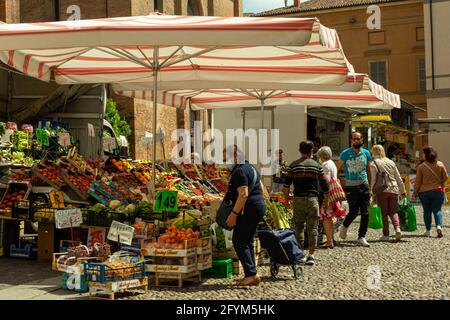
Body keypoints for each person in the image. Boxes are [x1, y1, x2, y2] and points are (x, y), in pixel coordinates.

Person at [223, 145, 266, 286]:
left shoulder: (239, 171)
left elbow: (243, 194)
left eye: (226, 158)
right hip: (258, 206)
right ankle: (252, 273)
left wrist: (233, 214)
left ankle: (251, 275)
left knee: (239, 240)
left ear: (234, 156)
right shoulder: (251, 167)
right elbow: (262, 189)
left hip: (248, 208)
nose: (225, 162)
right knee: (247, 240)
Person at [283, 141, 330, 265]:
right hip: (312, 200)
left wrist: (287, 200)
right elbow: (325, 186)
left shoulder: (293, 165)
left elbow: (286, 186)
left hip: (298, 199)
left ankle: (301, 254)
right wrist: (326, 201)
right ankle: (311, 255)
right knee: (313, 227)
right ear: (312, 151)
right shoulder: (317, 166)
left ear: (300, 150)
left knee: (298, 227)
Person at [337, 131, 372, 247]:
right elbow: (337, 168)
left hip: (364, 185)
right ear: (351, 140)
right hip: (351, 186)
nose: (356, 141)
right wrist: (339, 182)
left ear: (362, 139)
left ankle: (361, 237)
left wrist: (370, 186)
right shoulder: (345, 153)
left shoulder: (366, 153)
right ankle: (345, 226)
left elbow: (368, 170)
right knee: (353, 211)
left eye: (358, 138)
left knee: (366, 212)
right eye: (354, 139)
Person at [370, 145, 406, 242]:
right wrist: (403, 191)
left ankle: (386, 234)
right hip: (394, 189)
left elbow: (373, 179)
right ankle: (397, 229)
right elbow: (398, 178)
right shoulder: (391, 162)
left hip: (382, 190)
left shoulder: (373, 163)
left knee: (384, 213)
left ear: (373, 152)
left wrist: (370, 191)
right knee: (393, 211)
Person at [413, 146, 448, 238]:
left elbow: (417, 182)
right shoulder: (440, 164)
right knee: (437, 210)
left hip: (424, 192)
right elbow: (446, 177)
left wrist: (414, 193)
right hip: (438, 190)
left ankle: (428, 231)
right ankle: (439, 227)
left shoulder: (421, 167)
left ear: (425, 155)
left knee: (426, 211)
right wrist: (440, 182)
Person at [317, 146, 346, 248]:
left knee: (326, 217)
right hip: (333, 195)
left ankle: (329, 241)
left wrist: (325, 199)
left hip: (328, 195)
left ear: (321, 156)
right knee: (329, 217)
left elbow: (326, 181)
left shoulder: (325, 165)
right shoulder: (332, 163)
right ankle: (331, 239)